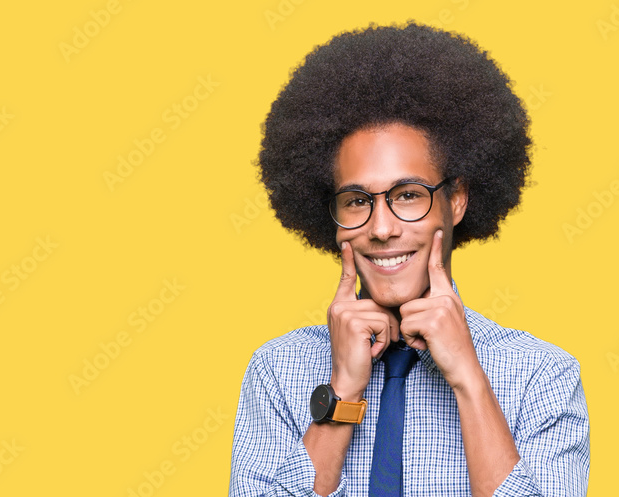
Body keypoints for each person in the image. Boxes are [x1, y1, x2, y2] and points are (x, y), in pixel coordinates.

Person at [229, 22, 590, 497]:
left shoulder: (541, 377)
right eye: (357, 200)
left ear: (456, 199)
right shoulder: (278, 371)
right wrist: (342, 394)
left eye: (408, 195)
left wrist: (467, 378)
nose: (381, 228)